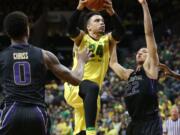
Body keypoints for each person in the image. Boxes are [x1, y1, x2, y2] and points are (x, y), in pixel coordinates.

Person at [0, 11, 90, 135]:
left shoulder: (2, 57)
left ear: (7, 33)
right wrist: (81, 61)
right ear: (27, 29)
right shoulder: (44, 55)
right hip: (36, 112)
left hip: (11, 111)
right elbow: (75, 79)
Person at [64, 0, 123, 134]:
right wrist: (79, 8)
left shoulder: (107, 40)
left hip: (92, 94)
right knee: (91, 130)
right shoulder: (82, 38)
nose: (102, 22)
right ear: (88, 27)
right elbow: (70, 29)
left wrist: (112, 12)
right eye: (97, 20)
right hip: (75, 85)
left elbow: (120, 31)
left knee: (81, 131)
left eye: (102, 20)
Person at [109, 0, 162, 135]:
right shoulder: (129, 74)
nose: (139, 52)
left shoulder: (151, 67)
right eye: (138, 51)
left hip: (150, 121)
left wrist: (144, 5)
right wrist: (113, 41)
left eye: (144, 51)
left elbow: (149, 34)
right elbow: (113, 63)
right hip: (134, 122)